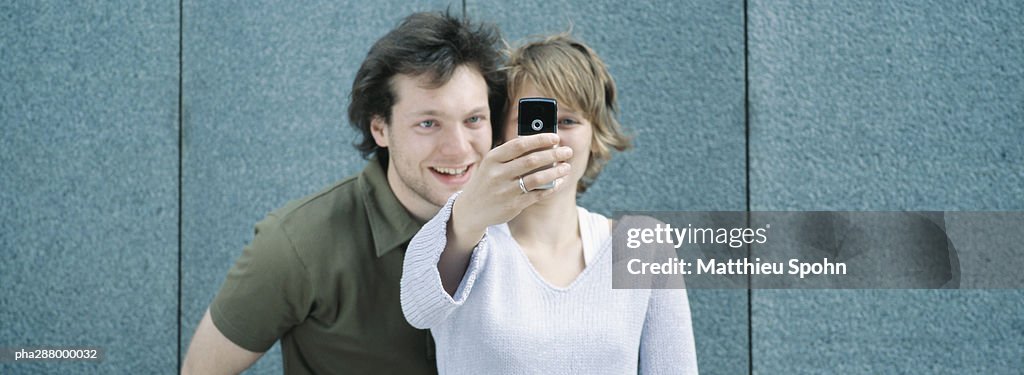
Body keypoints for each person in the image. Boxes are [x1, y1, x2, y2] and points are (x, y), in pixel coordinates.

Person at [182, 11, 507, 374]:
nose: (458, 148)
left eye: (473, 119)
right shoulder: (299, 242)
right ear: (380, 128)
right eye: (428, 123)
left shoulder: (521, 228)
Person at [400, 34, 698, 373]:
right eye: (532, 121)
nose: (549, 137)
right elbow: (418, 308)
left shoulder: (644, 247)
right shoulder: (466, 239)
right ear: (500, 135)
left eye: (568, 121)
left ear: (596, 136)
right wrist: (468, 213)